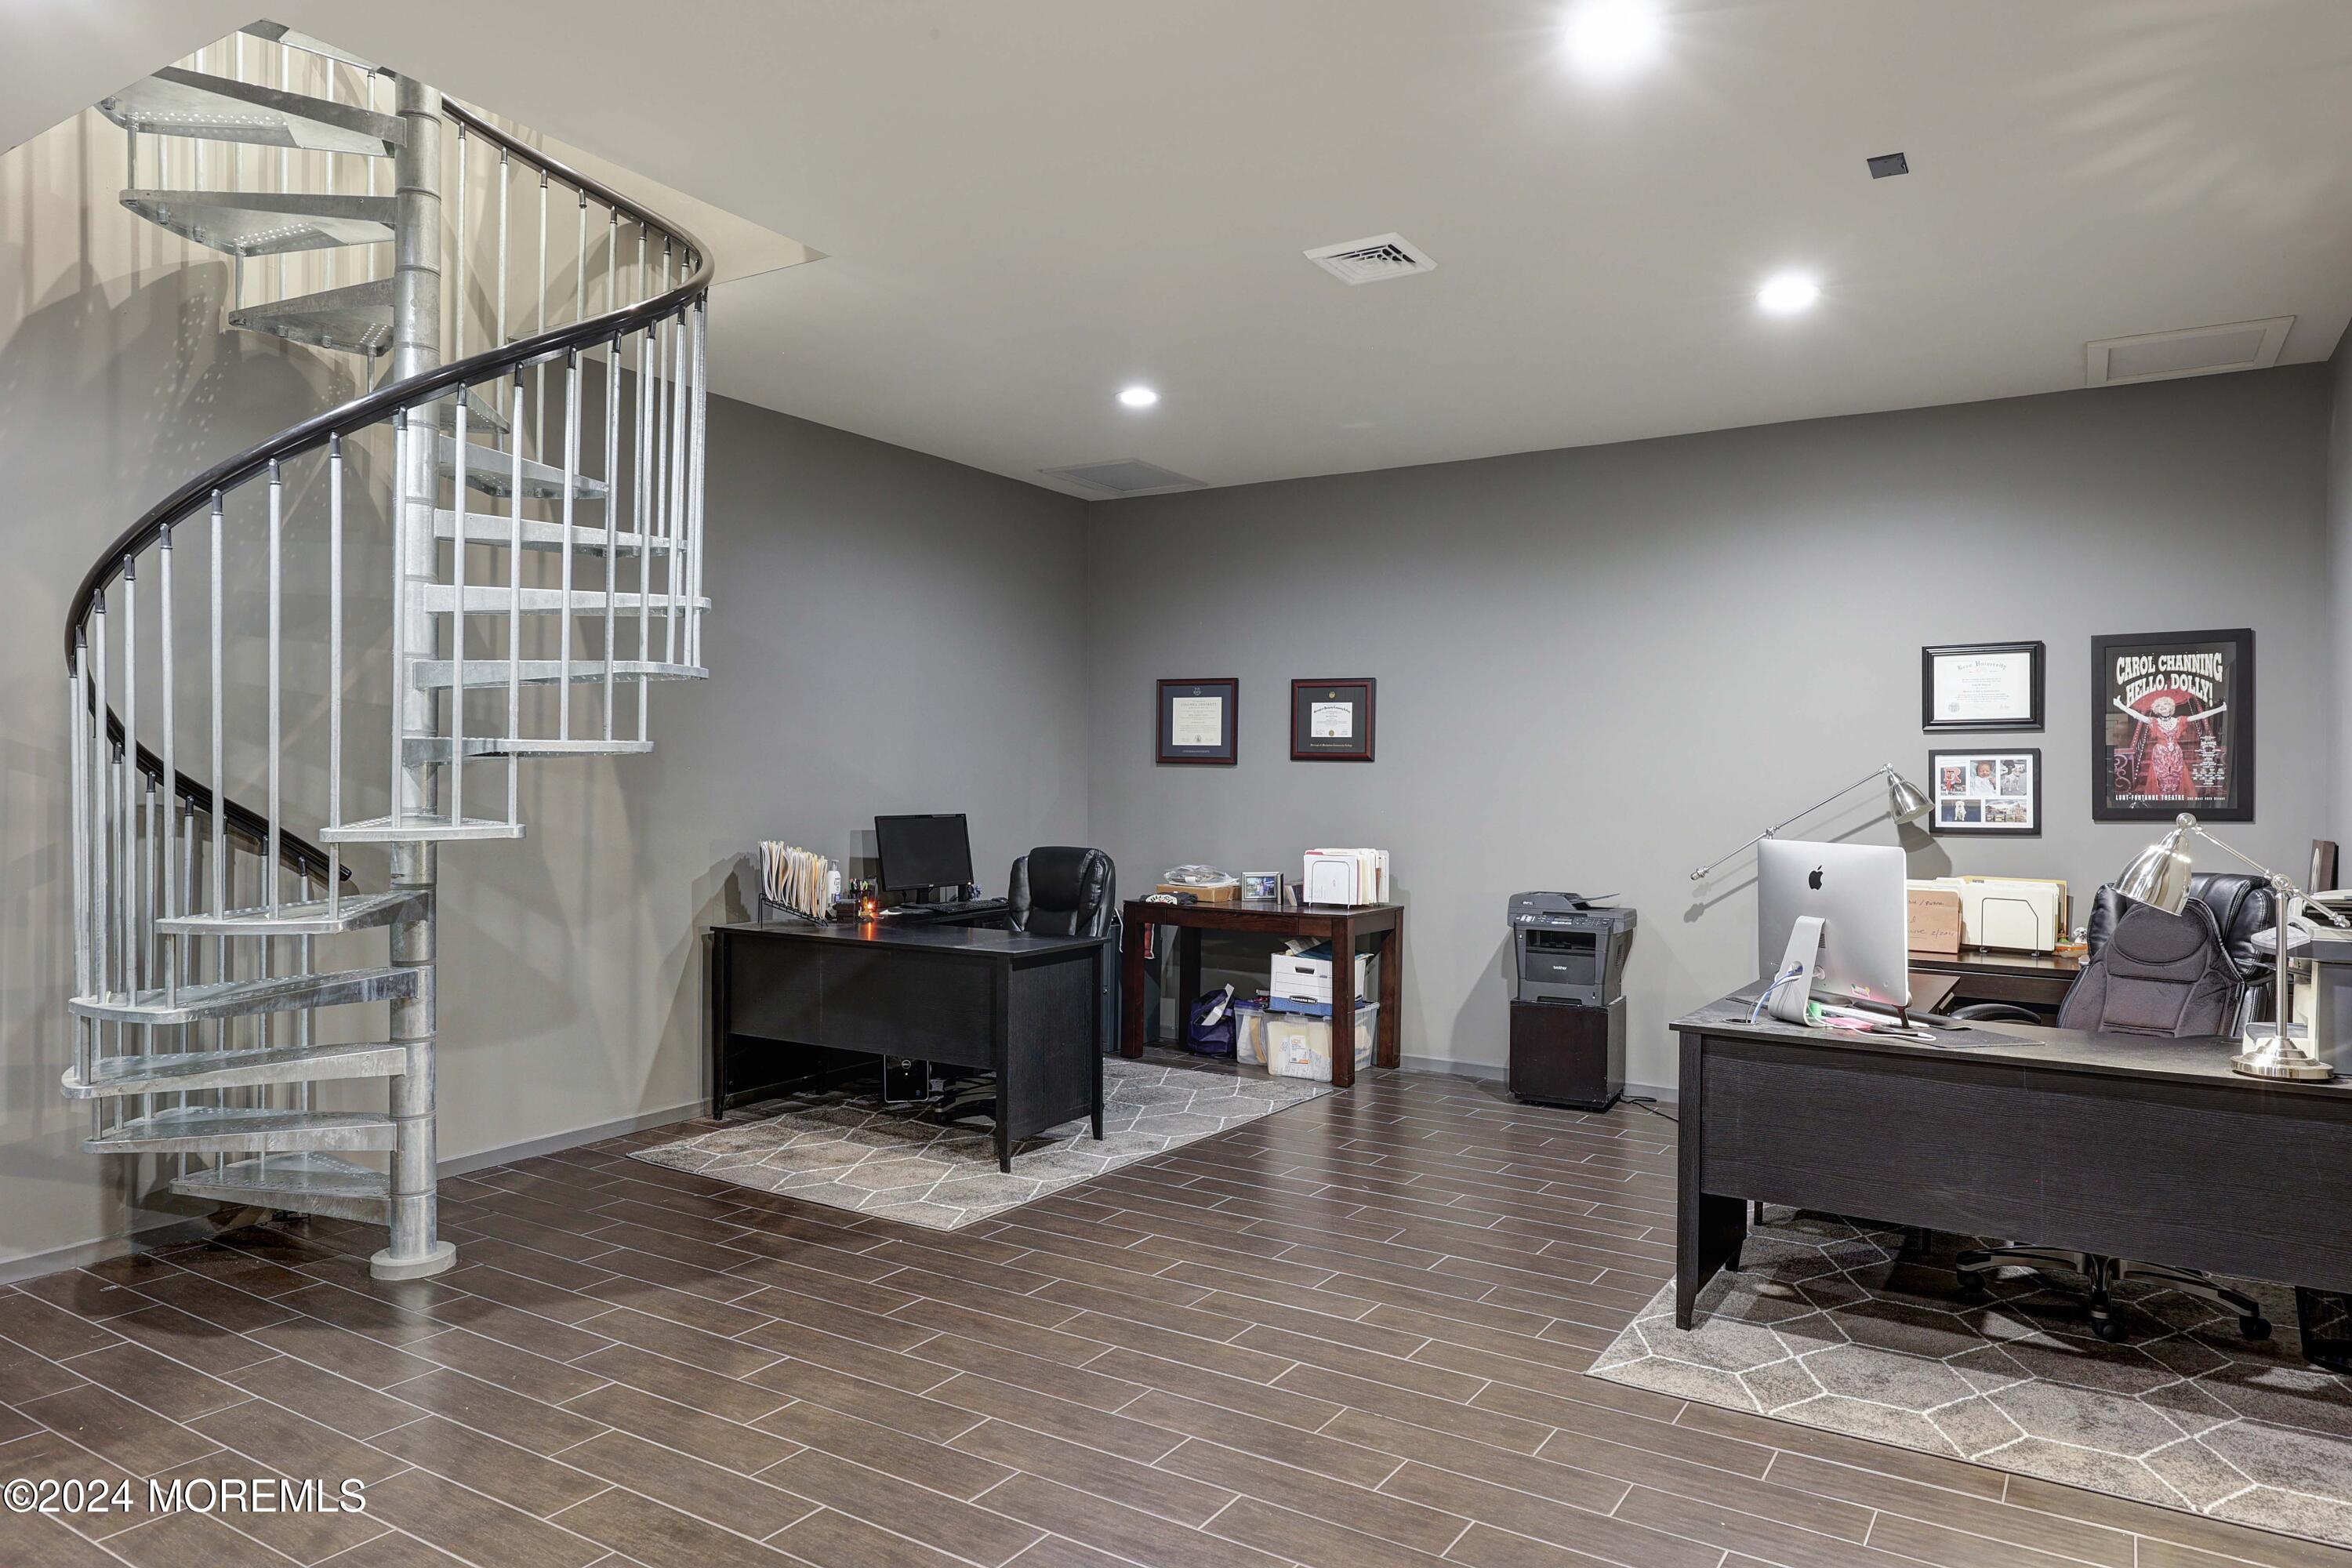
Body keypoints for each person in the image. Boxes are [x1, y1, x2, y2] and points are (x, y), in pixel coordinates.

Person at [2112, 693, 2226, 800]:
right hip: (2160, 753)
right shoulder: (2153, 722)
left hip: (2176, 753)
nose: (2162, 707)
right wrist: (2120, 705)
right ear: (2156, 710)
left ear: (2171, 708)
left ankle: (2176, 799)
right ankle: (2163, 799)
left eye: (2165, 704)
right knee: (2161, 777)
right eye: (2159, 706)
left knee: (2177, 776)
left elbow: (2200, 716)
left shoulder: (2179, 721)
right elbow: (2136, 715)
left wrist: (2220, 709)